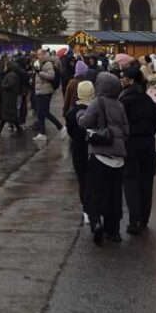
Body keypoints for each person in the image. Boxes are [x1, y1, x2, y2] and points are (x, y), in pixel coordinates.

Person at [77, 72, 129, 245]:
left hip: (100, 154)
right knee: (115, 195)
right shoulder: (120, 105)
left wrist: (80, 115)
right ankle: (113, 231)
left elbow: (84, 123)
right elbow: (126, 131)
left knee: (94, 192)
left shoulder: (97, 102)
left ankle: (96, 223)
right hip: (119, 158)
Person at [119, 63, 156, 234]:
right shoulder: (148, 99)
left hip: (130, 145)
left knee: (131, 182)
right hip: (148, 144)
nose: (122, 80)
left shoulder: (124, 100)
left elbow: (121, 125)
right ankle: (144, 218)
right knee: (146, 182)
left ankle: (134, 220)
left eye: (124, 77)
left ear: (129, 80)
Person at [64, 79, 94, 223]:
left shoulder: (72, 113)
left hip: (79, 149)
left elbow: (70, 130)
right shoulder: (98, 108)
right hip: (95, 149)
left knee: (82, 180)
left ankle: (87, 209)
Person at [33, 48, 63, 142]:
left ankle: (61, 127)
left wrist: (39, 72)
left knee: (45, 112)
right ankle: (42, 133)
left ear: (45, 55)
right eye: (38, 55)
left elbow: (51, 76)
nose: (39, 56)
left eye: (40, 54)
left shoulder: (48, 64)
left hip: (46, 92)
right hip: (39, 91)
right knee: (40, 113)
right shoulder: (39, 64)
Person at [0, 58, 23, 135]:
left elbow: (10, 84)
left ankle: (1, 130)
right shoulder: (10, 74)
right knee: (7, 115)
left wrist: (3, 86)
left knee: (9, 114)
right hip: (7, 97)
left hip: (9, 98)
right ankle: (0, 130)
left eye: (5, 66)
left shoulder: (12, 75)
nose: (4, 67)